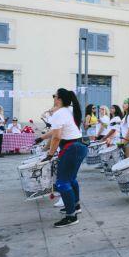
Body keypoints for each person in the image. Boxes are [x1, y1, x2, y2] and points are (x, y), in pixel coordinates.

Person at [35, 88, 88, 227]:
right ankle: (75, 207)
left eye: (54, 96)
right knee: (71, 179)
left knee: (62, 182)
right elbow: (55, 131)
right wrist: (42, 137)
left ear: (59, 99)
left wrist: (50, 154)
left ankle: (71, 216)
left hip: (71, 148)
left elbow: (57, 136)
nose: (53, 98)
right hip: (79, 146)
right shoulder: (67, 111)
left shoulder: (59, 113)